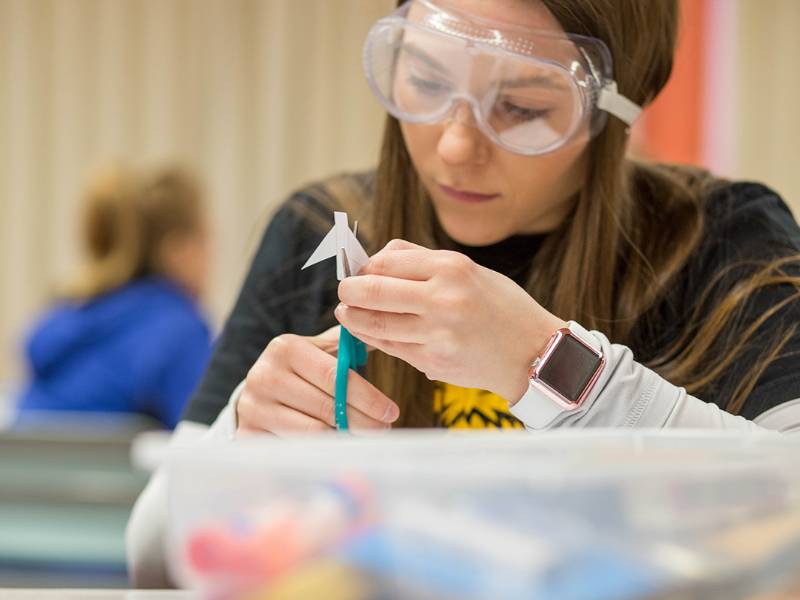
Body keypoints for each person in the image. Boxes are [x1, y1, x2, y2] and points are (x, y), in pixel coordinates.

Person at [128, 0, 800, 586]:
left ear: (612, 109)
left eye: (523, 107)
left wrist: (554, 366)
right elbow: (151, 548)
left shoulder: (719, 242)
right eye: (424, 78)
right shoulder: (319, 231)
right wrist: (241, 444)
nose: (455, 146)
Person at [17, 164, 212, 429]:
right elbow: (199, 441)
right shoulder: (180, 330)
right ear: (177, 248)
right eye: (205, 240)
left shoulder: (70, 314)